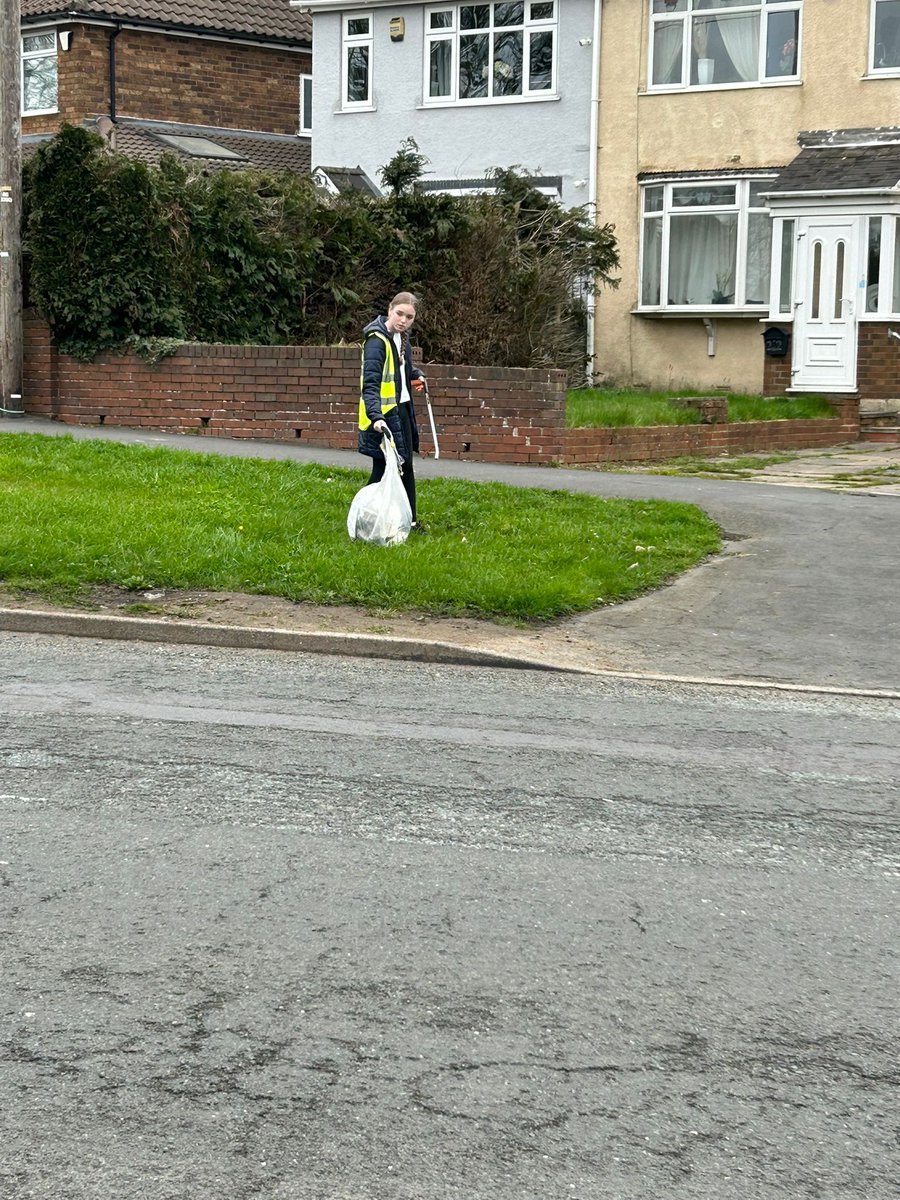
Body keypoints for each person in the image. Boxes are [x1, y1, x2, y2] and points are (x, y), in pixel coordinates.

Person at [358, 292, 427, 527]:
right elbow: (370, 384)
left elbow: (401, 371)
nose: (403, 320)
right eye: (399, 314)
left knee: (405, 466)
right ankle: (363, 517)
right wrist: (376, 417)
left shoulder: (402, 339)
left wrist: (416, 375)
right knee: (383, 468)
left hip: (403, 410)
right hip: (384, 416)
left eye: (409, 317)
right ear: (390, 310)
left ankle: (409, 522)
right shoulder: (377, 341)